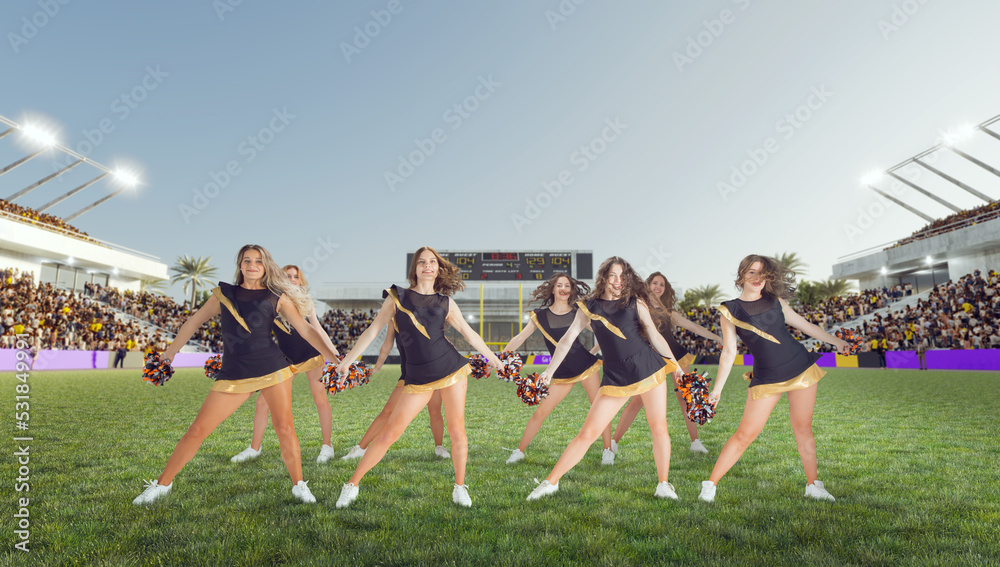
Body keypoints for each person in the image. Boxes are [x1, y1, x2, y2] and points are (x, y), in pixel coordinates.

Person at [132, 244, 340, 506]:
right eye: (246, 260)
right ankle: (162, 484)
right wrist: (169, 354)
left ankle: (299, 484)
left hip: (273, 369)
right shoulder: (224, 295)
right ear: (240, 265)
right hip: (234, 371)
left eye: (258, 261)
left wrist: (336, 360)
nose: (252, 265)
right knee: (197, 429)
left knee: (285, 429)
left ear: (266, 267)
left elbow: (307, 331)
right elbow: (194, 322)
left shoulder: (278, 297)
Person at [334, 247, 501, 509]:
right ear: (415, 269)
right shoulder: (398, 297)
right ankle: (351, 485)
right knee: (389, 434)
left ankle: (459, 487)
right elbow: (372, 331)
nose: (427, 266)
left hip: (452, 370)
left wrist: (494, 358)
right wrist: (347, 361)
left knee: (457, 431)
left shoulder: (446, 302)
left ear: (438, 267)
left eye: (432, 262)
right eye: (422, 262)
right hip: (418, 378)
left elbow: (470, 334)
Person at [526, 257, 684, 502]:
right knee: (587, 433)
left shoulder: (635, 301)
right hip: (615, 376)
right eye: (612, 275)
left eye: (622, 276)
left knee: (659, 428)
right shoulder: (589, 306)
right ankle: (551, 482)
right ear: (604, 277)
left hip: (648, 368)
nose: (618, 281)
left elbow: (654, 334)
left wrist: (674, 365)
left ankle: (663, 484)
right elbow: (567, 340)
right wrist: (549, 371)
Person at [698, 255, 850, 503]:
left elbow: (805, 326)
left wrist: (838, 342)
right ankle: (710, 484)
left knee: (803, 430)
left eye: (762, 273)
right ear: (741, 276)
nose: (758, 278)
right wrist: (717, 391)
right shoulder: (730, 310)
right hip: (766, 377)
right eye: (751, 273)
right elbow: (728, 352)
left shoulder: (775, 301)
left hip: (800, 368)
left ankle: (813, 485)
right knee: (744, 435)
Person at [230, 265, 341, 465]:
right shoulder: (271, 300)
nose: (291, 279)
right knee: (263, 402)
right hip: (286, 359)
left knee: (320, 399)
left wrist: (333, 353)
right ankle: (254, 448)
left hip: (312, 354)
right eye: (287, 276)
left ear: (300, 281)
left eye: (295, 277)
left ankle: (327, 446)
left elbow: (316, 328)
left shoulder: (305, 301)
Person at [501, 273, 613, 466]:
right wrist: (501, 358)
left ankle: (608, 451)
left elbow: (602, 333)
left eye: (567, 286)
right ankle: (519, 451)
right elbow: (520, 338)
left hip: (586, 366)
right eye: (559, 285)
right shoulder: (540, 315)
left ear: (571, 290)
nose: (563, 289)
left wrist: (594, 352)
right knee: (540, 413)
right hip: (559, 372)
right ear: (552, 289)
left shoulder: (579, 312)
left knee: (599, 409)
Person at [611, 272, 722, 455]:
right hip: (651, 360)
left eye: (662, 284)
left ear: (665, 289)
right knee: (636, 402)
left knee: (686, 397)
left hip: (676, 356)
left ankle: (695, 441)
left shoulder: (670, 312)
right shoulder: (637, 308)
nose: (658, 287)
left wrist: (717, 337)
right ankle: (613, 443)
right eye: (654, 283)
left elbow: (693, 327)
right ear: (647, 286)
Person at [340, 324, 451, 461]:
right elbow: (387, 345)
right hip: (410, 373)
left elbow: (441, 340)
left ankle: (439, 446)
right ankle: (360, 448)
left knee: (434, 411)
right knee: (387, 412)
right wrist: (377, 367)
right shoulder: (395, 317)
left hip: (433, 370)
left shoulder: (424, 314)